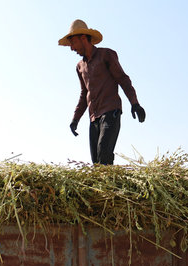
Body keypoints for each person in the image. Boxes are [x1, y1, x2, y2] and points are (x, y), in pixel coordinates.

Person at [59, 19, 146, 165]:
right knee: (97, 163)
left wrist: (135, 103)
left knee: (104, 152)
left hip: (110, 112)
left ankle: (112, 185)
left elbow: (123, 79)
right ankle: (109, 187)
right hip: (94, 118)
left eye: (72, 43)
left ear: (82, 38)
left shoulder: (106, 55)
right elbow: (84, 94)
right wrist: (75, 119)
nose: (72, 48)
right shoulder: (80, 67)